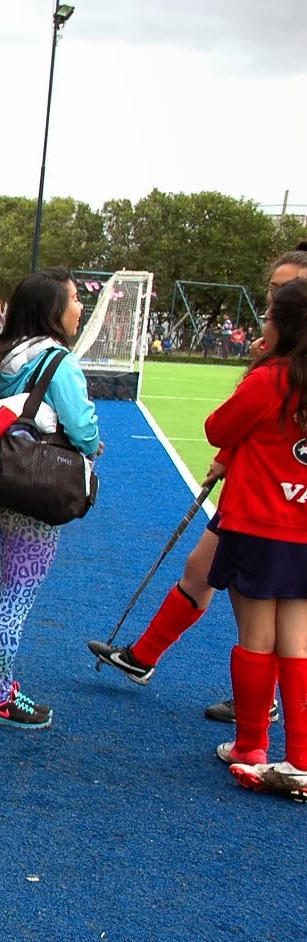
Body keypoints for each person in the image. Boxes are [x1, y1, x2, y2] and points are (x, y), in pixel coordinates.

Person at [88, 249, 307, 722]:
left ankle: (259, 720)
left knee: (266, 619)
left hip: (272, 510)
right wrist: (230, 455)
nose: (270, 301)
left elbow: (244, 425)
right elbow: (253, 429)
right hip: (263, 504)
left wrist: (254, 379)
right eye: (271, 288)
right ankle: (144, 657)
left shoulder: (278, 375)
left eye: (280, 294)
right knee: (201, 570)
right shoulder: (276, 370)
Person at [0, 267, 100, 729]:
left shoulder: (3, 354)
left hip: (7, 478)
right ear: (52, 309)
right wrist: (91, 441)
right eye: (74, 299)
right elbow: (82, 428)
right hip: (39, 485)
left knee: (10, 583)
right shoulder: (57, 361)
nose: (79, 308)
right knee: (16, 594)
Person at [205, 276, 307, 798]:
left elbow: (218, 429)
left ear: (282, 326)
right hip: (303, 526)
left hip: (260, 520)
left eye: (268, 315)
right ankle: (301, 759)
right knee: (298, 637)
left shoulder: (271, 379)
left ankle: (251, 747)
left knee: (257, 637)